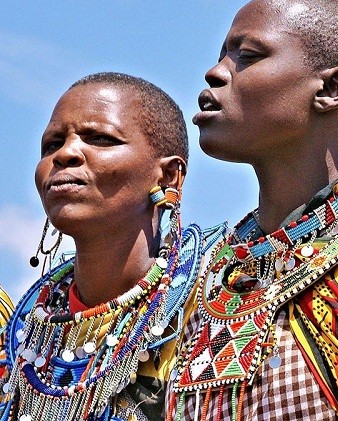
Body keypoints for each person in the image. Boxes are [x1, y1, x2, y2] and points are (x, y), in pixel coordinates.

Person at [168, 0, 338, 420]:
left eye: (246, 56)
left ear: (331, 88)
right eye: (222, 56)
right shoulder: (195, 284)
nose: (214, 73)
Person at [0, 72, 209, 421]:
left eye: (100, 139)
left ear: (168, 176)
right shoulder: (16, 338)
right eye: (52, 144)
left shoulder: (211, 310)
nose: (66, 153)